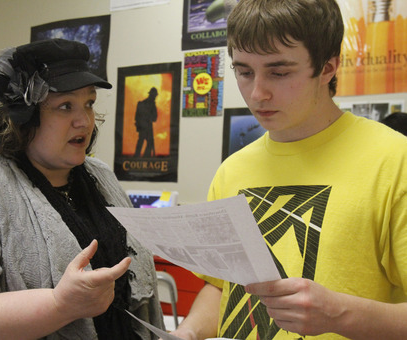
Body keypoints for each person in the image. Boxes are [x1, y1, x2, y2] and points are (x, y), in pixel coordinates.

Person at [169, 0, 407, 339]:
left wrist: (338, 314)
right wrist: (188, 333)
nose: (257, 93)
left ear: (328, 68)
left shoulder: (395, 161)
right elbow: (223, 287)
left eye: (279, 72)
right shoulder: (232, 170)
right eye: (244, 71)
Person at [0, 39, 164, 340]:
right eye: (65, 106)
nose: (84, 121)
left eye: (89, 103)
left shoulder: (101, 177)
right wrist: (59, 306)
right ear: (25, 118)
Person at [134, 87, 158, 157]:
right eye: (155, 95)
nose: (155, 97)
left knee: (144, 142)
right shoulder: (149, 104)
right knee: (146, 142)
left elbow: (154, 118)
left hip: (143, 127)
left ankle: (143, 156)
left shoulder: (142, 103)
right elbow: (154, 117)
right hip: (146, 127)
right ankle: (144, 156)